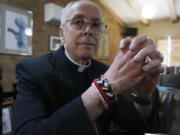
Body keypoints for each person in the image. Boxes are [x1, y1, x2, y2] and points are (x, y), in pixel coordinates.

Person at [12, 1, 164, 135]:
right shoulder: (32, 71)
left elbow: (133, 125)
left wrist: (142, 98)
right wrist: (103, 88)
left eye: (96, 25)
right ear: (62, 33)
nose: (88, 30)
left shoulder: (104, 71)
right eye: (78, 22)